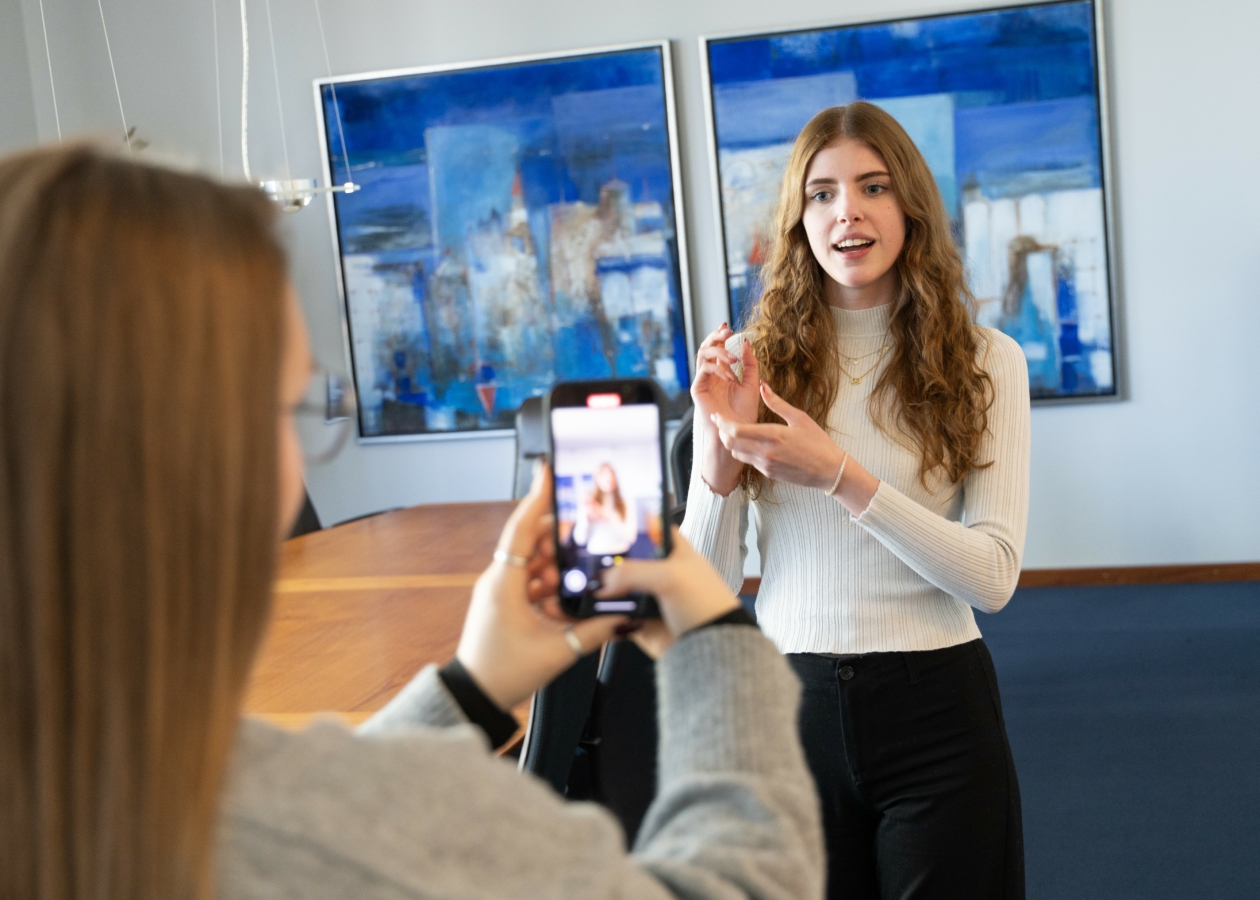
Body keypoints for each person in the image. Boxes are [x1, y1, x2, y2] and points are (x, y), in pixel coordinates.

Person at [0, 146, 824, 900]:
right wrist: (715, 638)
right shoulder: (378, 842)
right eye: (285, 410)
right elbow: (748, 885)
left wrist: (470, 691)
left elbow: (294, 805)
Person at [684, 102, 1031, 900]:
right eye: (823, 193)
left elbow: (993, 578)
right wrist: (715, 457)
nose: (848, 211)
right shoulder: (748, 364)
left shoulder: (988, 361)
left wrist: (842, 476)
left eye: (873, 187)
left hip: (938, 712)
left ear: (910, 205)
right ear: (799, 220)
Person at [574, 462, 638, 555]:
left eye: (611, 474)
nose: (608, 478)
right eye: (603, 474)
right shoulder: (589, 502)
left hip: (621, 553)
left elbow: (631, 537)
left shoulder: (626, 503)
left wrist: (606, 516)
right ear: (597, 479)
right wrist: (586, 519)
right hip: (596, 554)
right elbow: (580, 540)